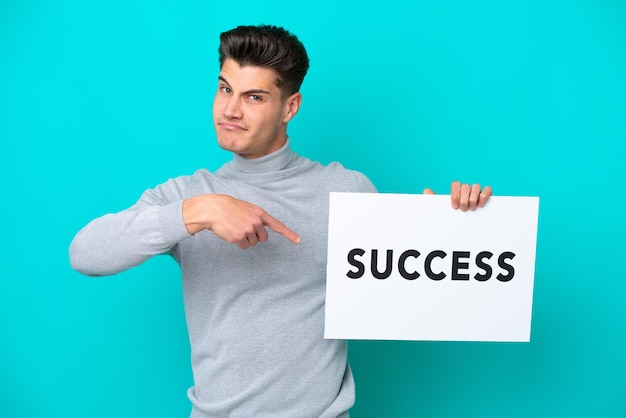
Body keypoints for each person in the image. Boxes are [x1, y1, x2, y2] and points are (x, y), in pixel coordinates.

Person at [70, 24, 492, 418]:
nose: (231, 109)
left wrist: (450, 227)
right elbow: (85, 253)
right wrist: (199, 211)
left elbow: (407, 296)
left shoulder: (347, 190)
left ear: (290, 106)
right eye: (224, 89)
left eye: (254, 97)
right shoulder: (187, 194)